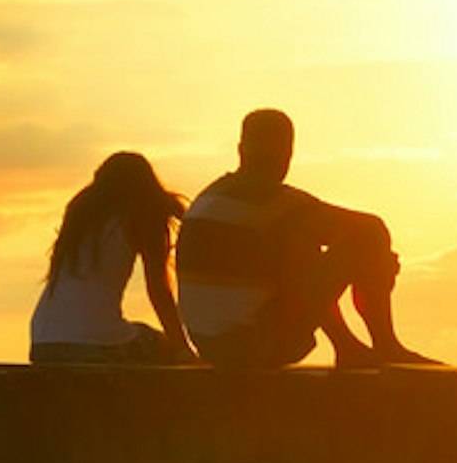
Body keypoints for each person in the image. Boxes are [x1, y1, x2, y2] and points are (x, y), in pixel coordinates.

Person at [174, 108, 438, 369]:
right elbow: (371, 230)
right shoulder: (273, 201)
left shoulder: (207, 198)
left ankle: (348, 346)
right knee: (362, 238)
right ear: (287, 153)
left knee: (297, 242)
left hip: (212, 347)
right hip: (255, 345)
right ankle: (384, 344)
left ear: (241, 149)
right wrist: (375, 265)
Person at [28, 151, 216, 463]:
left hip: (44, 342)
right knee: (162, 359)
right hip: (95, 341)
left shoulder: (82, 212)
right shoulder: (140, 215)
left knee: (129, 380)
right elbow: (159, 291)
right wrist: (182, 348)